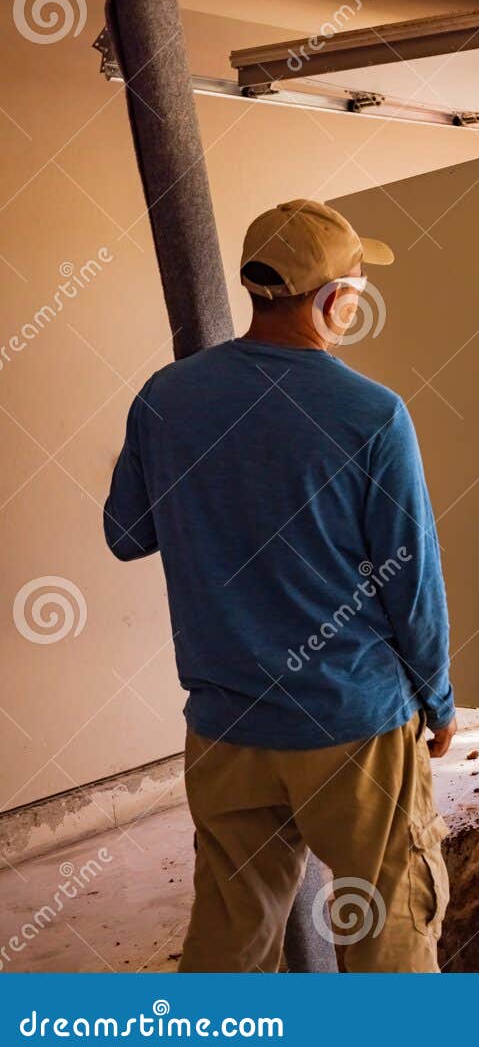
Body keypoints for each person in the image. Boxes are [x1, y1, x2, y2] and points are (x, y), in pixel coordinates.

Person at [103, 199, 455, 972]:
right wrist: (438, 697)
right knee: (390, 928)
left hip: (227, 726)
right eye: (356, 285)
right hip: (352, 726)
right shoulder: (373, 415)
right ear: (333, 300)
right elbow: (412, 579)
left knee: (229, 940)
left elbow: (126, 533)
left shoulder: (165, 398)